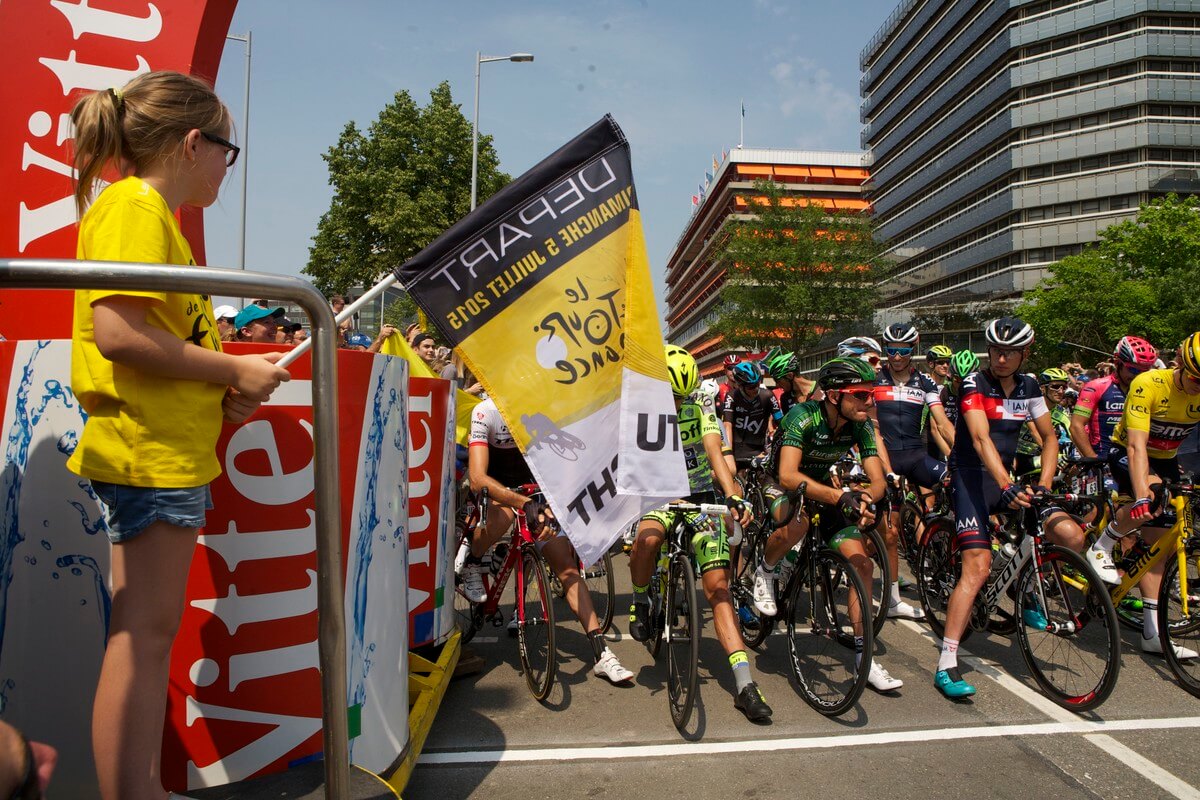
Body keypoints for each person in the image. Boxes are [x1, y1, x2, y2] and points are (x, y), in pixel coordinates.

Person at [68, 71, 289, 800]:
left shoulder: (142, 210)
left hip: (159, 449)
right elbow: (118, 334)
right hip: (150, 454)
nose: (229, 165)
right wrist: (229, 367)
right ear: (194, 143)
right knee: (141, 638)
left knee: (140, 634)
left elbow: (149, 342)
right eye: (229, 149)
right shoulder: (137, 206)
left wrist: (223, 389)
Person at [934, 317, 1084, 699]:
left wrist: (1046, 485)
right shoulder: (973, 383)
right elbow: (981, 439)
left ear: (1025, 353)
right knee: (978, 568)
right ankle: (947, 662)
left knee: (1067, 533)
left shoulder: (1030, 386)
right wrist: (1008, 485)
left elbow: (1049, 437)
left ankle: (1026, 587)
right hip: (972, 478)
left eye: (1010, 352)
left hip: (1007, 476)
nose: (1001, 358)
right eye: (996, 350)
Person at [627, 345, 766, 720]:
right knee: (648, 540)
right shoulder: (638, 404)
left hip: (701, 494)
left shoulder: (701, 400)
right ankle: (641, 599)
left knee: (719, 588)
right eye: (670, 395)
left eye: (681, 396)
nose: (676, 402)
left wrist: (734, 496)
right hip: (658, 492)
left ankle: (745, 683)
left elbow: (713, 449)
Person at [462, 397, 635, 683]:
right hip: (498, 493)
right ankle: (473, 559)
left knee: (566, 568)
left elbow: (567, 462)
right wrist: (520, 501)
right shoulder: (486, 411)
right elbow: (478, 478)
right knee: (502, 517)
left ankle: (602, 653)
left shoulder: (543, 402)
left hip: (535, 495)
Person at [762, 357, 903, 692]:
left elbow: (877, 478)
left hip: (824, 486)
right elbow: (787, 475)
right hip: (780, 484)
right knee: (796, 525)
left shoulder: (861, 423)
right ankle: (766, 569)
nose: (869, 402)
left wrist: (866, 497)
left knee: (862, 564)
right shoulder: (803, 416)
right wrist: (841, 498)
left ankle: (862, 658)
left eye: (871, 395)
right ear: (836, 395)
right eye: (861, 395)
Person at [1085, 333, 1200, 657]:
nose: (1198, 386)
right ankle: (1103, 544)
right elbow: (1136, 446)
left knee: (1157, 547)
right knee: (1149, 501)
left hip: (1167, 458)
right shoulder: (1149, 383)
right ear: (1180, 365)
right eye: (1194, 378)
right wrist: (1141, 495)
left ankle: (1152, 633)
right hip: (1127, 451)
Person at [873, 323, 954, 620]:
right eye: (891, 350)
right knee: (890, 534)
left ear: (914, 348)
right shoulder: (874, 379)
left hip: (917, 456)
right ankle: (893, 600)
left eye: (903, 351)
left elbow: (942, 423)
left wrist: (961, 456)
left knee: (956, 481)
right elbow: (870, 425)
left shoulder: (925, 383)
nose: (896, 356)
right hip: (886, 459)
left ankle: (948, 551)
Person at [1070, 336, 1157, 461]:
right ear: (1117, 363)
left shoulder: (1151, 389)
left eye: (1144, 371)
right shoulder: (1095, 387)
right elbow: (1076, 425)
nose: (1138, 375)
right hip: (1104, 461)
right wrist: (1093, 459)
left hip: (1140, 460)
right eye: (1133, 369)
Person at [722, 360, 782, 476]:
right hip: (736, 452)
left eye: (757, 383)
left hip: (758, 451)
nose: (755, 388)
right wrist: (728, 453)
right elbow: (727, 425)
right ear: (740, 386)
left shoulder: (768, 395)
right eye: (751, 387)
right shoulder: (732, 396)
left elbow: (782, 422)